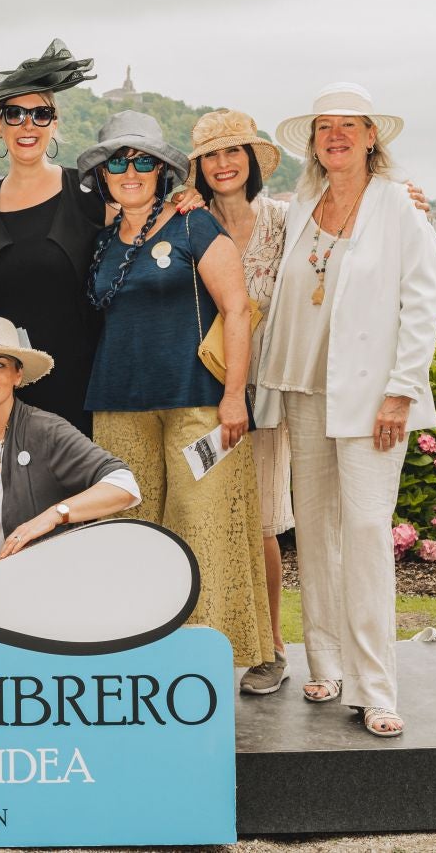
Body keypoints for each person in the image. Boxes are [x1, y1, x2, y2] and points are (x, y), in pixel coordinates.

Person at [255, 83, 436, 738]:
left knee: (364, 531)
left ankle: (375, 687)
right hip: (305, 391)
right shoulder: (303, 202)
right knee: (317, 533)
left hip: (371, 398)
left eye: (349, 125)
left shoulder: (398, 206)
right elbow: (246, 221)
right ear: (314, 140)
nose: (335, 135)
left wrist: (401, 391)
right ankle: (327, 664)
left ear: (370, 137)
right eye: (324, 126)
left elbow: (420, 305)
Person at [77, 110, 273, 669]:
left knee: (204, 531)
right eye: (119, 161)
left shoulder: (195, 224)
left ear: (162, 171)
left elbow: (237, 309)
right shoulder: (102, 242)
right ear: (105, 175)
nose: (131, 170)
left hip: (199, 405)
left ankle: (205, 666)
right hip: (118, 404)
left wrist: (234, 396)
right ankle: (136, 658)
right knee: (130, 530)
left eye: (143, 160)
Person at [187, 109, 295, 693]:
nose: (224, 164)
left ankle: (271, 647)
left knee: (262, 522)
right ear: (199, 167)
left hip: (264, 395)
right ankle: (205, 640)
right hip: (201, 392)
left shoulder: (285, 221)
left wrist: (412, 203)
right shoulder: (188, 221)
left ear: (252, 161)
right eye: (211, 155)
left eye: (235, 153)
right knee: (204, 516)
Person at [0, 39, 105, 435]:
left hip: (84, 387)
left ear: (55, 123)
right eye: (15, 114)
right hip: (8, 392)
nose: (28, 125)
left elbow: (148, 220)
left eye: (40, 114)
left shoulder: (89, 193)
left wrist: (191, 197)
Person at [0, 316, 139, 573]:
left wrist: (54, 515)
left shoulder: (45, 430)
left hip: (47, 584)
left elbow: (124, 485)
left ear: (17, 375)